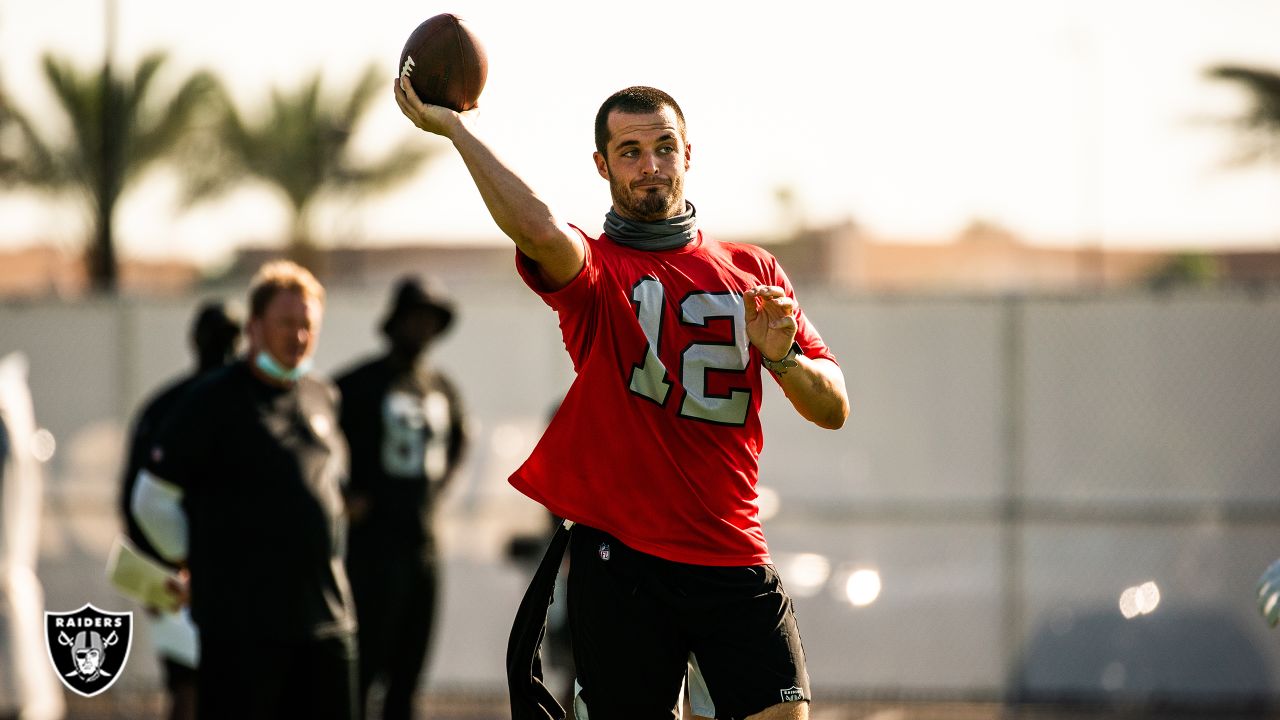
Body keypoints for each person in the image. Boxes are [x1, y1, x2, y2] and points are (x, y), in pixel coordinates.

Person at [394, 79, 849, 720]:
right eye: (630, 151)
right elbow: (537, 228)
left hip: (733, 550)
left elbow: (832, 407)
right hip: (625, 562)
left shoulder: (755, 270)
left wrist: (782, 356)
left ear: (689, 152)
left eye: (664, 146)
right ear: (602, 166)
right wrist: (460, 132)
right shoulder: (599, 271)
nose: (651, 165)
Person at [131, 260, 358, 720]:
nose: (297, 337)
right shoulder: (210, 401)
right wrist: (193, 560)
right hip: (243, 633)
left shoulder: (322, 396)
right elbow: (150, 501)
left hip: (328, 623)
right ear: (254, 328)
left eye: (307, 325)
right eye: (285, 324)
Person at [334, 276, 469, 719]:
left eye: (430, 320)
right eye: (414, 319)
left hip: (424, 549)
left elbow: (461, 441)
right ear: (394, 323)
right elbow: (309, 440)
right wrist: (342, 496)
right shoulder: (357, 384)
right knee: (361, 672)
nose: (422, 329)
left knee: (408, 678)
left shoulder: (442, 388)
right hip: (372, 550)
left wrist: (436, 493)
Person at [119, 301, 241, 720]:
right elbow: (137, 500)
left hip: (232, 574)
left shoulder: (244, 405)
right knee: (188, 684)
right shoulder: (172, 406)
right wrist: (151, 578)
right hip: (178, 571)